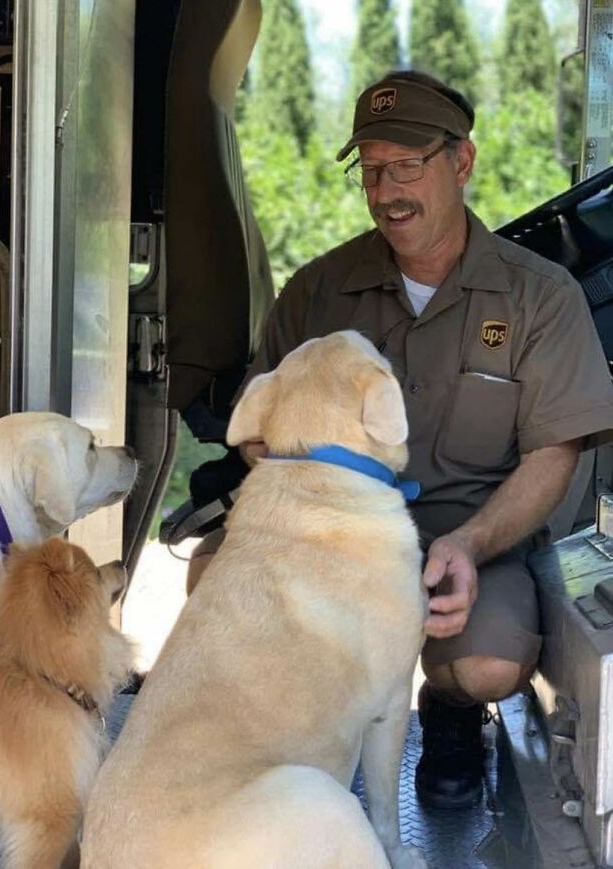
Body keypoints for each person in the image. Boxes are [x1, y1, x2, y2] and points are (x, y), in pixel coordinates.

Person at [185, 69, 613, 810]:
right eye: (372, 170)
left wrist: (474, 545)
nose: (388, 191)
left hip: (465, 544)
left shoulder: (540, 296)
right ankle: (303, 731)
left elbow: (554, 454)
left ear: (463, 162)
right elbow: (258, 432)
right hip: (332, 537)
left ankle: (450, 713)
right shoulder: (318, 290)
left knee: (487, 661)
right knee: (214, 579)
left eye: (408, 165)